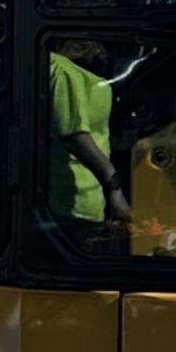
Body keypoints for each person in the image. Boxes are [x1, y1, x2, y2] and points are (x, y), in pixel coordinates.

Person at [48, 37, 129, 234]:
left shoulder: (76, 74)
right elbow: (75, 136)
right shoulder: (62, 70)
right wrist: (114, 187)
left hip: (83, 202)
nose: (103, 51)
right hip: (70, 201)